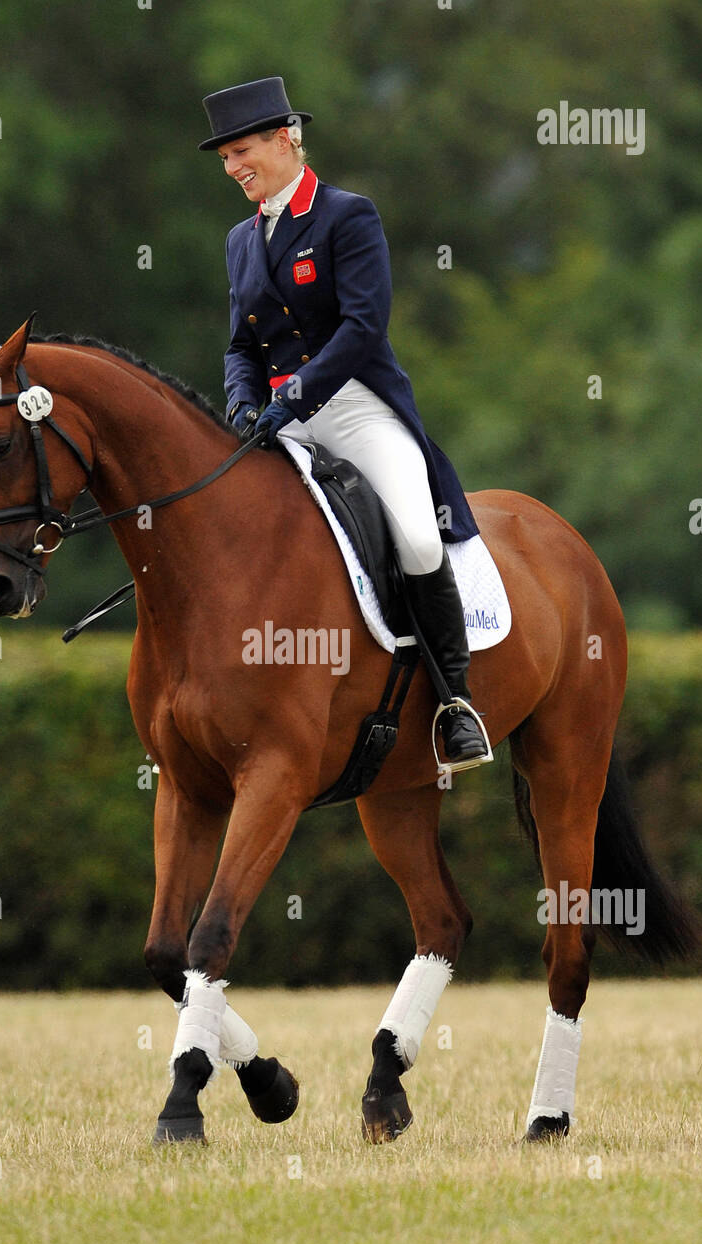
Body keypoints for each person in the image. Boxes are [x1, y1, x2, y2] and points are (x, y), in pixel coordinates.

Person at [199, 76, 488, 770]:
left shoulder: (346, 216)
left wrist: (291, 396)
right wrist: (241, 404)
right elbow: (241, 345)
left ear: (286, 138)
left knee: (418, 539)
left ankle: (454, 704)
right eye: (225, 160)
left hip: (354, 406)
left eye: (243, 152)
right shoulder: (241, 240)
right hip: (277, 420)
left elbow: (362, 327)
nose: (235, 168)